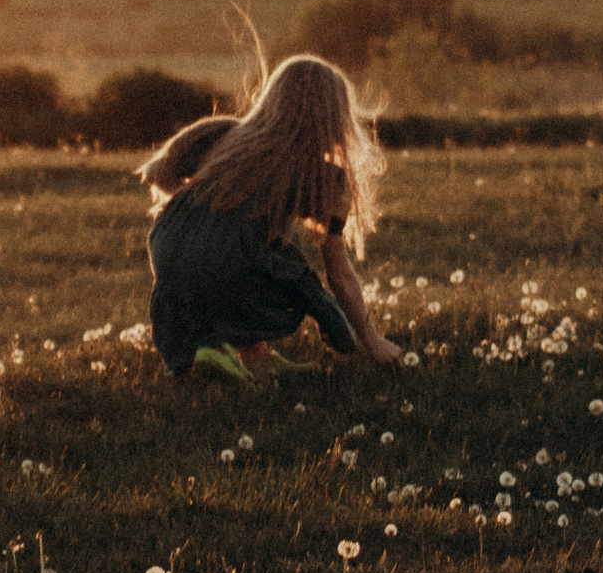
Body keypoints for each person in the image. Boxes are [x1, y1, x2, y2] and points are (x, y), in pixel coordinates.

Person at [138, 55, 404, 382]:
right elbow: (339, 274)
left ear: (272, 99)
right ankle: (219, 353)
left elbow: (156, 175)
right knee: (275, 264)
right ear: (336, 116)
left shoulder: (219, 133)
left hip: (168, 253)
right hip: (229, 266)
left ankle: (255, 362)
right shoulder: (324, 177)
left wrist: (204, 209)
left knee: (250, 243)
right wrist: (373, 340)